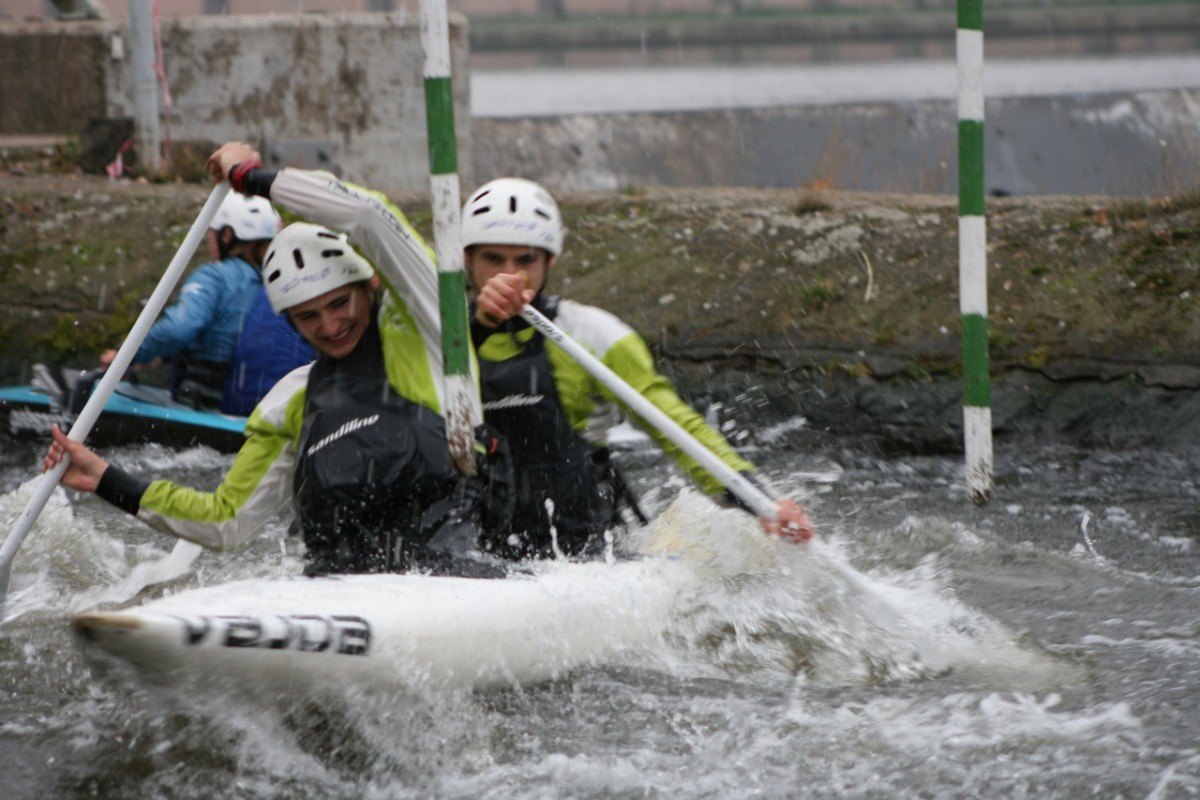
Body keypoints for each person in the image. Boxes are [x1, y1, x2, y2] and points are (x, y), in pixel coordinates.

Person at [43, 143, 511, 576]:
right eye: (308, 316)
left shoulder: (429, 327)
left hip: (452, 576)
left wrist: (251, 179)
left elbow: (368, 216)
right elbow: (227, 520)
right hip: (339, 588)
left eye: (340, 303)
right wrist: (106, 479)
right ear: (290, 322)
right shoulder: (291, 398)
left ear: (368, 286)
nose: (330, 325)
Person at [464, 177, 814, 559]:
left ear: (549, 261)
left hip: (583, 557)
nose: (509, 275)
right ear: (467, 260)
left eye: (525, 260)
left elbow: (673, 424)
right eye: (493, 259)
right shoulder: (440, 342)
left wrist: (757, 498)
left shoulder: (592, 333)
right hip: (472, 555)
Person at [98, 192, 314, 415]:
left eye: (211, 233)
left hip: (203, 413)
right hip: (265, 417)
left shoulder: (215, 277)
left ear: (227, 235)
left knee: (94, 392)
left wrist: (127, 356)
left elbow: (179, 328)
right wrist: (164, 354)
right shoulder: (287, 286)